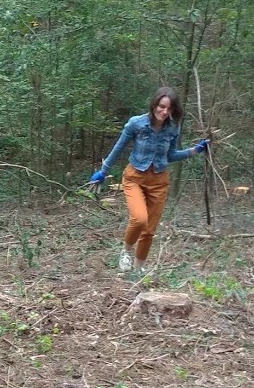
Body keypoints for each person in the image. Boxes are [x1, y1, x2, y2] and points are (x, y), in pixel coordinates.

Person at [89, 87, 209, 274]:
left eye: (169, 109)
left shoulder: (172, 128)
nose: (164, 112)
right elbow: (119, 147)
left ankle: (139, 270)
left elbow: (170, 155)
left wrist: (194, 151)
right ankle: (126, 252)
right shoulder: (136, 124)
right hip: (134, 178)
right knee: (139, 219)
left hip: (159, 181)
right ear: (154, 104)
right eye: (161, 106)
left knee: (149, 230)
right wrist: (103, 171)